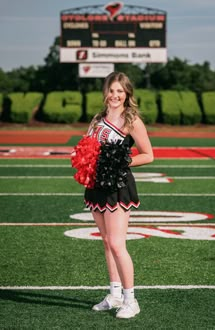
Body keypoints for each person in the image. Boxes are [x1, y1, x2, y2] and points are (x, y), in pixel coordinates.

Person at [83, 72, 154, 318]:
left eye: (120, 92)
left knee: (116, 243)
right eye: (111, 91)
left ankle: (131, 300)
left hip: (118, 186)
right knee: (105, 241)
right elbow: (88, 150)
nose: (115, 96)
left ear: (127, 94)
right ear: (105, 93)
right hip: (96, 185)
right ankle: (114, 294)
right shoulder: (98, 119)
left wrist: (121, 163)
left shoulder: (131, 119)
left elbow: (148, 154)